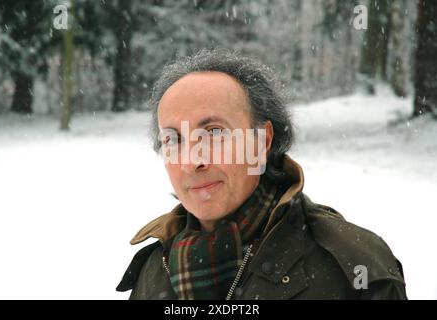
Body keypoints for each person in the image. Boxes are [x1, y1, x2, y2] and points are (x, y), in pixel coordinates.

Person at [116, 49, 407, 300]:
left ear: (261, 141)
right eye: (173, 139)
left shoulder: (354, 266)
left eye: (214, 133)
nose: (192, 162)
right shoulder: (153, 270)